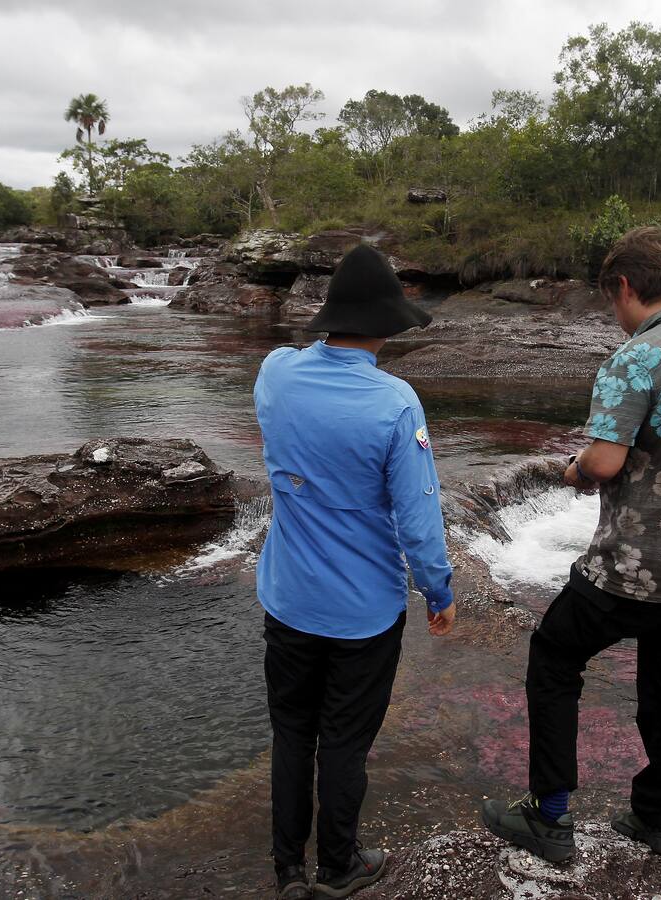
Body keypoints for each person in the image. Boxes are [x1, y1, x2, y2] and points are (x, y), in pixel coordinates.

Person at [482, 227, 661, 862]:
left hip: (629, 566)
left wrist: (574, 470)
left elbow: (604, 463)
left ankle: (549, 816)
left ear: (625, 288)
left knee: (554, 658)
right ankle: (658, 817)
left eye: (612, 300)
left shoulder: (637, 357)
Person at [254, 244, 457, 899]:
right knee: (342, 741)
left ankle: (288, 868)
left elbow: (288, 360)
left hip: (287, 599)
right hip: (362, 614)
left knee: (292, 733)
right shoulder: (396, 404)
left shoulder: (274, 376)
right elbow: (418, 517)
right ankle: (339, 866)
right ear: (388, 324)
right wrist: (438, 589)